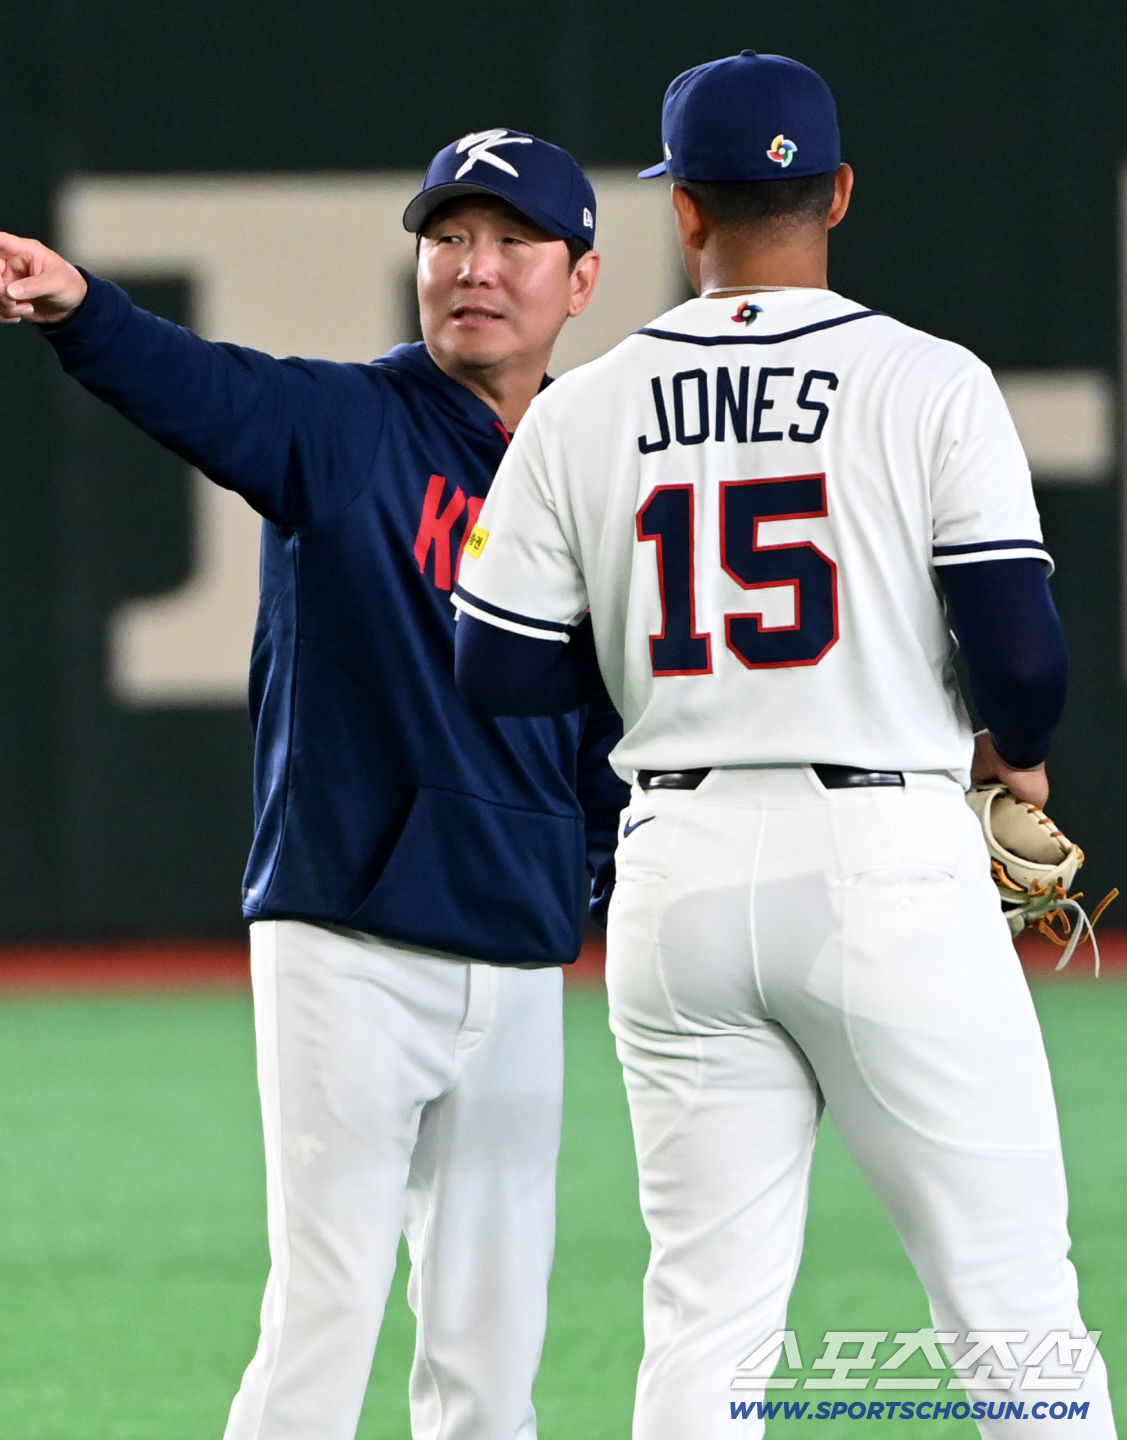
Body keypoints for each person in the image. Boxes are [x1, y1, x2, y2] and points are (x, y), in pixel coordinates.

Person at [453, 53, 1116, 1439]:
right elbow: (1024, 653)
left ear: (683, 211)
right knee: (1011, 1313)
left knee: (705, 1319)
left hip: (677, 866)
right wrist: (1021, 750)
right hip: (884, 858)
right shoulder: (927, 380)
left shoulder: (584, 406)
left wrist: (665, 670)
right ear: (841, 194)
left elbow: (497, 669)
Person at [0, 127, 629, 1440]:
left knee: (494, 1346)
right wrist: (83, 313)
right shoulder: (347, 425)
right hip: (347, 935)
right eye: (448, 237)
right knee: (326, 1308)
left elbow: (620, 711)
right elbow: (208, 388)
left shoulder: (598, 465)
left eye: (512, 242)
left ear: (582, 279)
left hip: (516, 948)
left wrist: (594, 872)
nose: (474, 269)